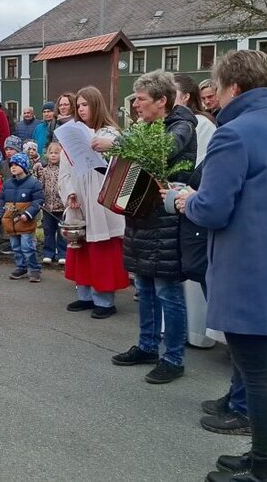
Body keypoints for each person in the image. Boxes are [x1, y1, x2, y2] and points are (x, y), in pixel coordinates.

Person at [177, 50, 267, 482]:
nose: (213, 97)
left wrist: (183, 200)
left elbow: (213, 209)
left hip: (253, 270)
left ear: (234, 87)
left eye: (217, 88)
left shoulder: (234, 133)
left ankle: (265, 470)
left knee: (258, 374)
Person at [112, 70, 196, 385]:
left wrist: (117, 142)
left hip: (166, 220)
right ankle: (147, 346)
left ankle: (173, 357)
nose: (136, 105)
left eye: (142, 100)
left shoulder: (182, 126)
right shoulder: (147, 126)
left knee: (167, 290)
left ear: (162, 101)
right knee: (145, 286)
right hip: (142, 216)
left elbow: (158, 151)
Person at [58, 86, 130, 319]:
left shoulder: (111, 135)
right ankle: (85, 296)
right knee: (82, 249)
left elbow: (123, 166)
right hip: (79, 200)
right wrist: (70, 193)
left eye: (85, 104)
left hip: (101, 200)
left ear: (96, 105)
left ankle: (105, 300)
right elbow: (65, 171)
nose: (80, 109)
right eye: (78, 105)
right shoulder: (71, 134)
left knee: (102, 250)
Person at [174, 73, 217, 350]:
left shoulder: (201, 124)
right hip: (180, 199)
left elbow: (197, 167)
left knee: (197, 274)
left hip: (191, 198)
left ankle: (201, 333)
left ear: (185, 96)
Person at [0, 152, 44, 282]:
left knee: (27, 247)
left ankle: (34, 269)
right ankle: (21, 267)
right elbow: (1, 199)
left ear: (24, 166)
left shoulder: (33, 183)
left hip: (25, 221)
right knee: (16, 247)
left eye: (16, 165)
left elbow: (38, 201)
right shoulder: (7, 183)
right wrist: (1, 214)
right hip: (10, 222)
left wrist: (28, 214)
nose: (13, 167)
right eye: (11, 165)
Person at [34, 141, 67, 266]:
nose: (53, 155)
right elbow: (39, 185)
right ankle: (49, 253)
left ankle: (63, 254)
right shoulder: (44, 170)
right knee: (48, 230)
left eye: (56, 153)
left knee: (62, 231)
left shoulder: (64, 170)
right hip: (47, 206)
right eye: (51, 153)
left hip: (62, 206)